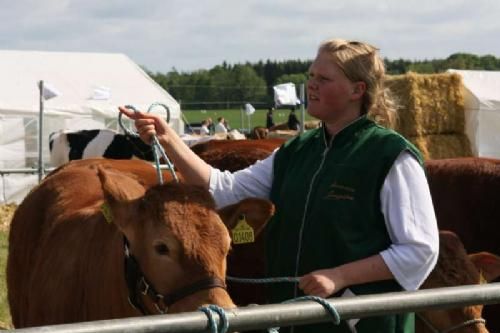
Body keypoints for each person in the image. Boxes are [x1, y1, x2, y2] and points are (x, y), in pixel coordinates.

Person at [119, 38, 438, 333]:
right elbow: (224, 190)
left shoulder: (390, 155)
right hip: (297, 320)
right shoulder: (297, 151)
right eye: (311, 75)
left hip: (362, 324)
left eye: (324, 79)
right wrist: (169, 140)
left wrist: (340, 276)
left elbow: (419, 251)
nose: (311, 84)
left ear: (357, 90)